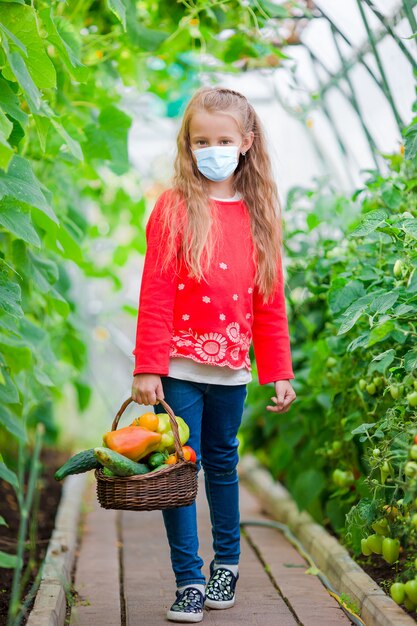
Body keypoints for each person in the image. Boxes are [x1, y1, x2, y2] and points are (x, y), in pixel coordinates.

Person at [131, 86, 296, 623]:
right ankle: (188, 579)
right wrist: (148, 366)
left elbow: (269, 302)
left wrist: (278, 371)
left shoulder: (259, 215)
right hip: (176, 370)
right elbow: (155, 292)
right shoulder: (175, 208)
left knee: (223, 465)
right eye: (201, 140)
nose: (212, 149)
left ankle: (227, 562)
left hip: (230, 373)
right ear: (188, 144)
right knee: (182, 467)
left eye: (223, 139)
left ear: (246, 143)